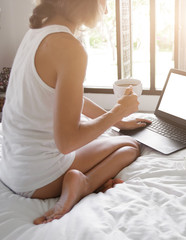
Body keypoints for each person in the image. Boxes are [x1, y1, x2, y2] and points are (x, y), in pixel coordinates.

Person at [0, 0, 151, 225]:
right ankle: (84, 184)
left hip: (11, 169)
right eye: (104, 2)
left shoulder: (38, 31)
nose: (107, 10)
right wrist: (118, 111)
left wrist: (119, 122)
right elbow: (67, 142)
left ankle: (83, 181)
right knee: (131, 147)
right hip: (37, 179)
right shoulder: (68, 46)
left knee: (122, 138)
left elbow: (67, 99)